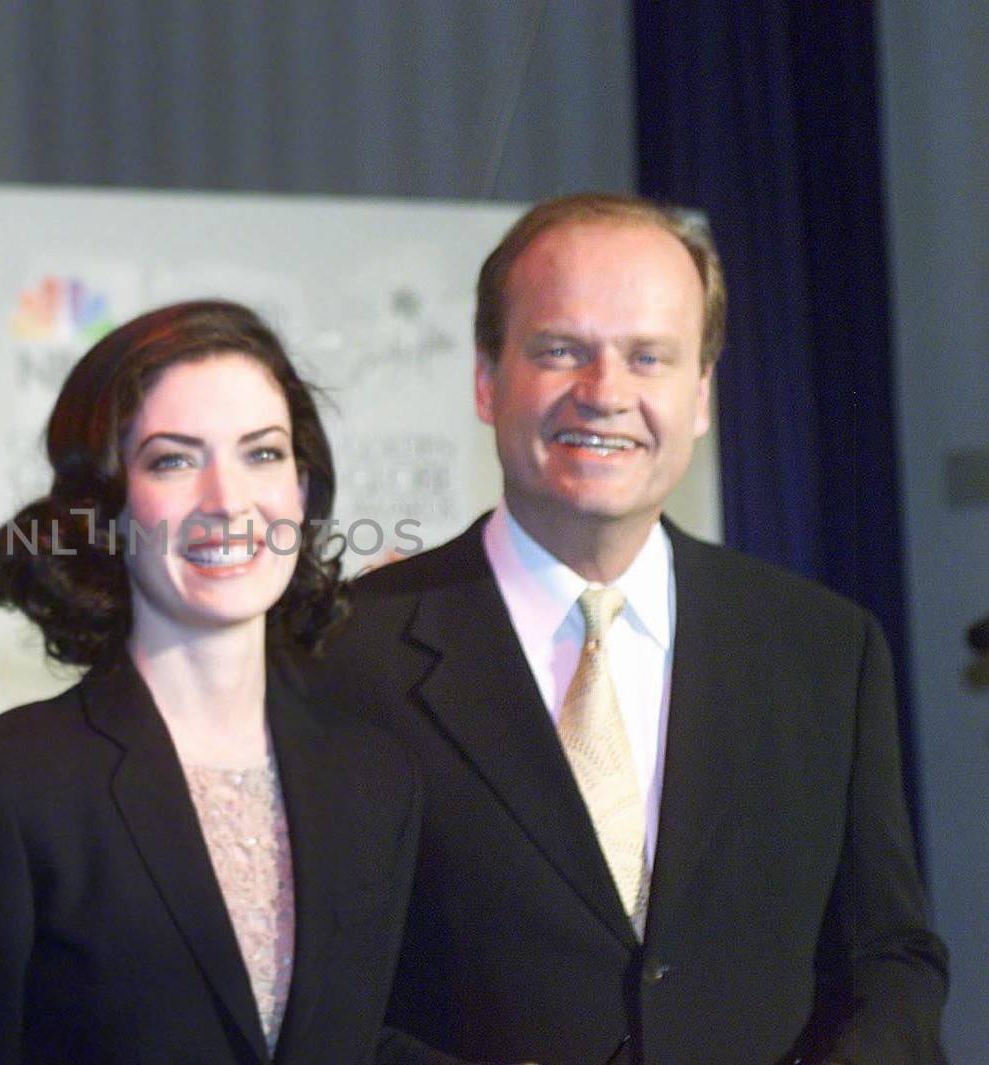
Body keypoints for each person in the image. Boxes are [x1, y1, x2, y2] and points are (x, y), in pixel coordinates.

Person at [325, 194, 949, 1065]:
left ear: (699, 394)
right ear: (485, 378)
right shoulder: (343, 656)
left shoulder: (825, 650)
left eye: (648, 357)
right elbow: (318, 999)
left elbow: (891, 956)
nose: (605, 393)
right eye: (560, 351)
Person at [0, 301, 435, 1064]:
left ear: (302, 489)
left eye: (262, 454)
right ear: (107, 507)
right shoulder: (6, 786)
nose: (228, 501)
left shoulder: (374, 776)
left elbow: (359, 1040)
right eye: (173, 459)